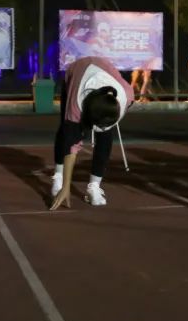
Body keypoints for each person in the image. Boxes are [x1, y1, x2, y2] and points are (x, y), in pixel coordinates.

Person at [49, 56, 134, 210]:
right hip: (77, 74)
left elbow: (108, 122)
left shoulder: (126, 96)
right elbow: (72, 146)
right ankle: (58, 176)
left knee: (106, 137)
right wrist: (66, 187)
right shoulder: (76, 105)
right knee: (66, 132)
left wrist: (105, 126)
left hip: (103, 79)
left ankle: (94, 186)